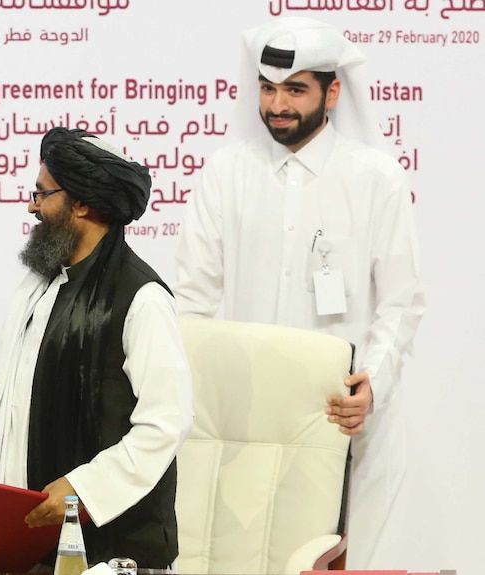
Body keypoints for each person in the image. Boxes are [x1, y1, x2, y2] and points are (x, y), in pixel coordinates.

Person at [174, 17, 425, 569]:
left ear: (333, 92)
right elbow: (190, 298)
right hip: (245, 423)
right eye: (267, 88)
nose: (277, 104)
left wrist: (373, 383)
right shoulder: (226, 173)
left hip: (343, 414)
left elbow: (402, 302)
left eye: (294, 89)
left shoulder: (375, 177)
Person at [0, 128, 193, 569]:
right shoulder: (42, 283)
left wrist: (84, 489)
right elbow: (29, 383)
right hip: (35, 547)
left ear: (81, 203)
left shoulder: (142, 298)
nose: (32, 206)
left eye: (43, 194)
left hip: (113, 552)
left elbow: (166, 423)